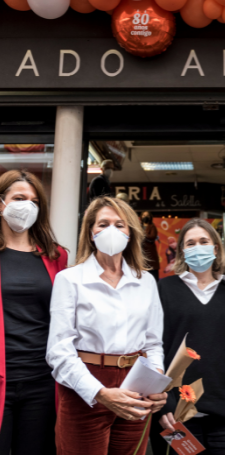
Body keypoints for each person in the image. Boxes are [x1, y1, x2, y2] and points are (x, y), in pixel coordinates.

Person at [46, 196, 167, 455]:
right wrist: (99, 393)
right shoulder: (70, 280)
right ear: (91, 233)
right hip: (85, 385)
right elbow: (59, 352)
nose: (111, 230)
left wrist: (156, 383)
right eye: (103, 224)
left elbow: (153, 343)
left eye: (119, 224)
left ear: (130, 232)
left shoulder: (145, 281)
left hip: (136, 384)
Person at [150, 218, 225, 455]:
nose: (197, 247)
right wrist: (162, 406)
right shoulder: (163, 289)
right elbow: (152, 350)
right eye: (190, 243)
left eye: (203, 241)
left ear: (215, 249)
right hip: (176, 415)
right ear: (181, 251)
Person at [0, 170, 67, 455]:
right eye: (19, 198)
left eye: (34, 201)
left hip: (42, 382)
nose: (26, 205)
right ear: (1, 202)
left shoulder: (56, 256)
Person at [141, 211, 160, 282]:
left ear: (150, 217)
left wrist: (142, 235)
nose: (145, 217)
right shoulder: (139, 226)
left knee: (152, 272)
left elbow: (152, 236)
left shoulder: (152, 226)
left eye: (147, 215)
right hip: (140, 252)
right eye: (143, 215)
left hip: (150, 251)